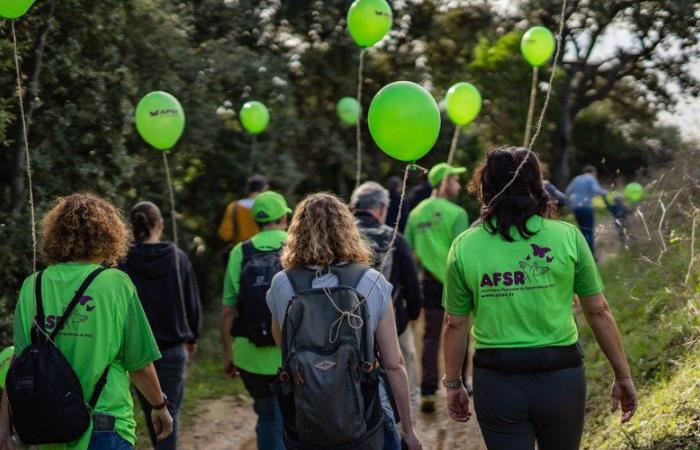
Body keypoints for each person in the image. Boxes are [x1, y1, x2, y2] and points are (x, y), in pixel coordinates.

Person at [442, 147, 638, 450]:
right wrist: (623, 375)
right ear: (537, 185)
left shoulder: (465, 246)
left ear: (485, 187)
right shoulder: (568, 237)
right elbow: (598, 311)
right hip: (562, 379)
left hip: (496, 382)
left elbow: (455, 323)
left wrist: (453, 383)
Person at [0, 193, 173, 450]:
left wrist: (4, 429)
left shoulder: (32, 285)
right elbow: (138, 362)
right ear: (108, 234)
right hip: (106, 425)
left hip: (50, 428)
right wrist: (159, 406)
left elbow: (19, 365)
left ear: (55, 234)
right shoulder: (115, 283)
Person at [266, 193, 422, 450]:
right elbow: (394, 365)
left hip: (307, 416)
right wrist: (408, 429)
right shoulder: (371, 281)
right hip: (365, 416)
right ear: (347, 228)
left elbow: (283, 345)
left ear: (296, 232)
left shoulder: (282, 283)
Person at [119, 201, 202, 450]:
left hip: (136, 353)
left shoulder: (123, 262)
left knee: (151, 411)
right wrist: (193, 337)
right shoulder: (177, 258)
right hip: (171, 348)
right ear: (161, 224)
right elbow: (192, 303)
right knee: (169, 414)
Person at [220, 191, 291, 450]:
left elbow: (228, 309)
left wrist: (229, 354)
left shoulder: (241, 251)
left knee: (267, 414)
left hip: (248, 354)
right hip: (290, 353)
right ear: (284, 217)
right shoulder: (296, 245)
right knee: (291, 417)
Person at [351, 182, 422, 413]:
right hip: (393, 321)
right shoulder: (394, 238)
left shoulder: (342, 238)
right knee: (405, 361)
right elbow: (411, 282)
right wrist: (412, 314)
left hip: (348, 323)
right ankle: (405, 416)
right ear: (381, 207)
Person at [404, 163, 469, 413]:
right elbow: (463, 252)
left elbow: (409, 253)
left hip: (428, 281)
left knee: (431, 336)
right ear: (443, 182)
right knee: (460, 330)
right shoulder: (457, 213)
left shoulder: (416, 213)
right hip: (456, 282)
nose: (459, 185)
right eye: (455, 180)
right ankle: (460, 383)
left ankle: (428, 391)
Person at [566, 165, 607, 253]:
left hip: (576, 208)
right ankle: (590, 255)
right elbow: (596, 190)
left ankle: (582, 253)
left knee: (582, 231)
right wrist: (605, 192)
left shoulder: (576, 179)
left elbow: (567, 192)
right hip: (587, 208)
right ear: (593, 172)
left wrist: (570, 206)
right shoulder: (591, 178)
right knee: (589, 232)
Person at [218, 174, 269, 246]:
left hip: (240, 249)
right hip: (263, 250)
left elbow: (225, 234)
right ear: (264, 189)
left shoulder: (234, 207)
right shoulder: (267, 207)